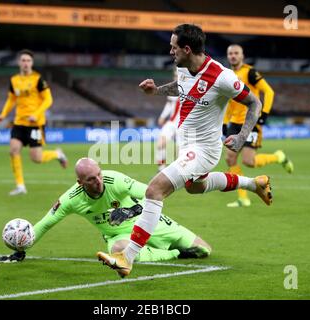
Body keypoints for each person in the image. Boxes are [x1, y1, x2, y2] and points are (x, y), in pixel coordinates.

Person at [97, 24, 272, 278]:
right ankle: (255, 184)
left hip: (204, 149)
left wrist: (242, 136)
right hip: (187, 145)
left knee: (154, 190)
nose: (170, 51)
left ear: (187, 49)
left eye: (173, 46)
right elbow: (181, 88)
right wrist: (156, 91)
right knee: (195, 187)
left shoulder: (222, 77)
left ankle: (127, 257)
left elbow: (254, 102)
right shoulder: (184, 67)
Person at [0, 158, 212, 263]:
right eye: (92, 179)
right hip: (119, 235)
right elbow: (46, 223)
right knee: (121, 252)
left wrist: (130, 211)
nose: (99, 181)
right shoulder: (71, 199)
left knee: (205, 251)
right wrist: (22, 249)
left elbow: (152, 192)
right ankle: (174, 254)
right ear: (80, 182)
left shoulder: (114, 179)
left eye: (99, 174)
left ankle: (175, 247)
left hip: (151, 222)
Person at [223, 44, 294, 208]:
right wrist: (225, 123)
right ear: (227, 57)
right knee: (230, 158)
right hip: (234, 123)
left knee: (249, 161)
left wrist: (265, 113)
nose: (233, 56)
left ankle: (278, 157)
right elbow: (228, 102)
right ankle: (243, 198)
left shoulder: (250, 72)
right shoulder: (227, 75)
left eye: (236, 53)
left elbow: (269, 92)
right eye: (230, 53)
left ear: (242, 56)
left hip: (251, 122)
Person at [0, 49, 68, 196]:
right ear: (19, 62)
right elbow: (11, 99)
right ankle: (20, 186)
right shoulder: (14, 80)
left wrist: (36, 114)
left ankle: (57, 154)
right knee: (13, 150)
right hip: (19, 122)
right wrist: (3, 114)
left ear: (32, 63)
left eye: (28, 60)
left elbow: (49, 99)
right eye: (23, 60)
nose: (26, 63)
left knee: (37, 158)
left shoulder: (38, 79)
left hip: (35, 124)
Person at [156, 71, 181, 171]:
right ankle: (161, 169)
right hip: (172, 123)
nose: (176, 77)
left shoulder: (192, 88)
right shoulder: (173, 89)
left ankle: (179, 173)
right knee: (160, 143)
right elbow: (169, 105)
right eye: (175, 75)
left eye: (178, 75)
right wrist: (162, 116)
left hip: (184, 126)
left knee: (181, 152)